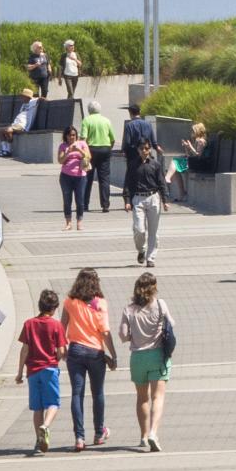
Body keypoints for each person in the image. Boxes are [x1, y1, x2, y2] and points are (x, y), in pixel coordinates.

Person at [60, 268, 118, 451]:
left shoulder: (69, 302)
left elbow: (61, 328)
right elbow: (105, 332)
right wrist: (113, 355)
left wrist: (62, 349)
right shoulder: (100, 303)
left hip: (75, 351)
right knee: (97, 393)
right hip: (95, 353)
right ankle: (99, 433)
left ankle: (79, 437)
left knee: (77, 393)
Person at [117, 272, 173, 452]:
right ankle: (153, 433)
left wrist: (136, 334)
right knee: (158, 396)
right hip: (157, 355)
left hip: (137, 358)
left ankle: (142, 435)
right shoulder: (160, 304)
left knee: (142, 398)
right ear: (154, 288)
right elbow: (171, 323)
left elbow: (123, 336)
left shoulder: (129, 309)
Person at [18, 288, 67, 454]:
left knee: (37, 407)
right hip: (49, 369)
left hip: (32, 371)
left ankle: (38, 442)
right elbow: (61, 351)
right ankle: (45, 427)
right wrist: (56, 359)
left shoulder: (29, 324)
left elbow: (24, 350)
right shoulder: (56, 325)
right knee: (53, 403)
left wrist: (19, 372)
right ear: (54, 308)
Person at [126, 139, 165, 266]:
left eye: (147, 148)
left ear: (150, 149)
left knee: (153, 231)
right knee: (139, 229)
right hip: (138, 198)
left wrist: (165, 200)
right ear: (138, 150)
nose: (144, 151)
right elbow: (127, 184)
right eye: (142, 148)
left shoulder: (155, 165)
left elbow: (161, 183)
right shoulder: (132, 165)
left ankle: (151, 258)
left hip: (153, 197)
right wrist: (127, 200)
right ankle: (141, 250)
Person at [81, 103, 116, 212]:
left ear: (89, 110)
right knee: (104, 178)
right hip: (105, 149)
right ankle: (105, 205)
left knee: (87, 178)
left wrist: (83, 153)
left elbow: (83, 138)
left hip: (91, 150)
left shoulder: (86, 120)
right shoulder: (106, 120)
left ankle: (85, 204)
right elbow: (112, 138)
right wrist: (109, 149)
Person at [57, 125, 92, 231]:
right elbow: (60, 161)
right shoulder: (63, 146)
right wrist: (68, 152)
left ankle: (79, 223)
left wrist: (79, 150)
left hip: (80, 176)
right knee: (67, 200)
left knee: (80, 200)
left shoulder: (82, 144)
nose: (72, 137)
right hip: (66, 176)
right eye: (69, 135)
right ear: (66, 136)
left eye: (73, 135)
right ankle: (68, 223)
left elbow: (89, 157)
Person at [167, 122, 204, 202]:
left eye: (193, 131)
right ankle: (182, 192)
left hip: (198, 163)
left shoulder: (201, 141)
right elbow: (189, 155)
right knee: (176, 169)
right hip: (192, 161)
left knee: (175, 161)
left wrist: (190, 146)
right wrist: (186, 147)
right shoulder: (196, 141)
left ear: (198, 131)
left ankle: (168, 178)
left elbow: (198, 155)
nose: (191, 133)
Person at [0, 88, 40, 157]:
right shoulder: (23, 104)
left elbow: (40, 98)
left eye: (23, 96)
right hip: (15, 124)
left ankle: (8, 150)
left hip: (22, 125)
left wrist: (42, 99)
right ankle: (4, 150)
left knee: (8, 131)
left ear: (27, 96)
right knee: (0, 132)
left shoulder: (33, 102)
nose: (21, 97)